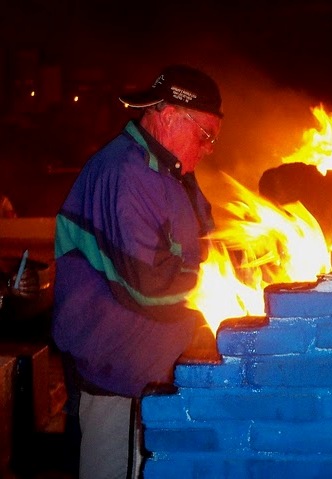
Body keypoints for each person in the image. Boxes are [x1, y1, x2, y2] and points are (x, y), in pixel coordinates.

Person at [52, 64, 223, 479]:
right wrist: (206, 307)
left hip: (139, 365)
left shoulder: (167, 170)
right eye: (205, 135)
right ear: (168, 118)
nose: (208, 148)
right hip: (120, 374)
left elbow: (202, 237)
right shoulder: (126, 174)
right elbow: (151, 289)